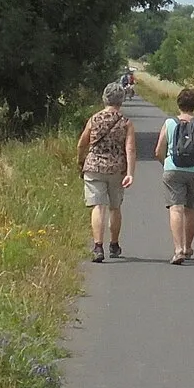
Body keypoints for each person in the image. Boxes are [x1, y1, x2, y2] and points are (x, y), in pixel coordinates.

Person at [154, 86, 194, 264]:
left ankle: (178, 249)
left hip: (173, 169)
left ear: (178, 104)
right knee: (191, 208)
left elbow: (159, 150)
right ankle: (188, 247)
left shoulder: (170, 123)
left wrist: (166, 163)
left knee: (175, 208)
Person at [76, 84, 137, 262]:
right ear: (121, 100)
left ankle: (97, 247)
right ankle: (114, 244)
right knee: (115, 207)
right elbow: (130, 149)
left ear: (105, 98)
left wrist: (81, 162)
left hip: (94, 167)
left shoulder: (94, 119)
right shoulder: (126, 122)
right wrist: (130, 173)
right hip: (117, 169)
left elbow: (82, 143)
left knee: (98, 206)